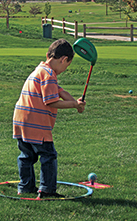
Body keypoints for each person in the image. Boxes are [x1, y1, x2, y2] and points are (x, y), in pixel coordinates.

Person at [13, 39, 86, 199]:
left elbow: (60, 92)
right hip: (37, 124)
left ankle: (25, 188)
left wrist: (77, 103)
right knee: (48, 155)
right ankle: (47, 191)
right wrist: (73, 104)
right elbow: (51, 101)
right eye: (67, 66)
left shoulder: (40, 70)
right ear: (64, 59)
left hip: (21, 120)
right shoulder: (49, 75)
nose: (64, 69)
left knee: (27, 155)